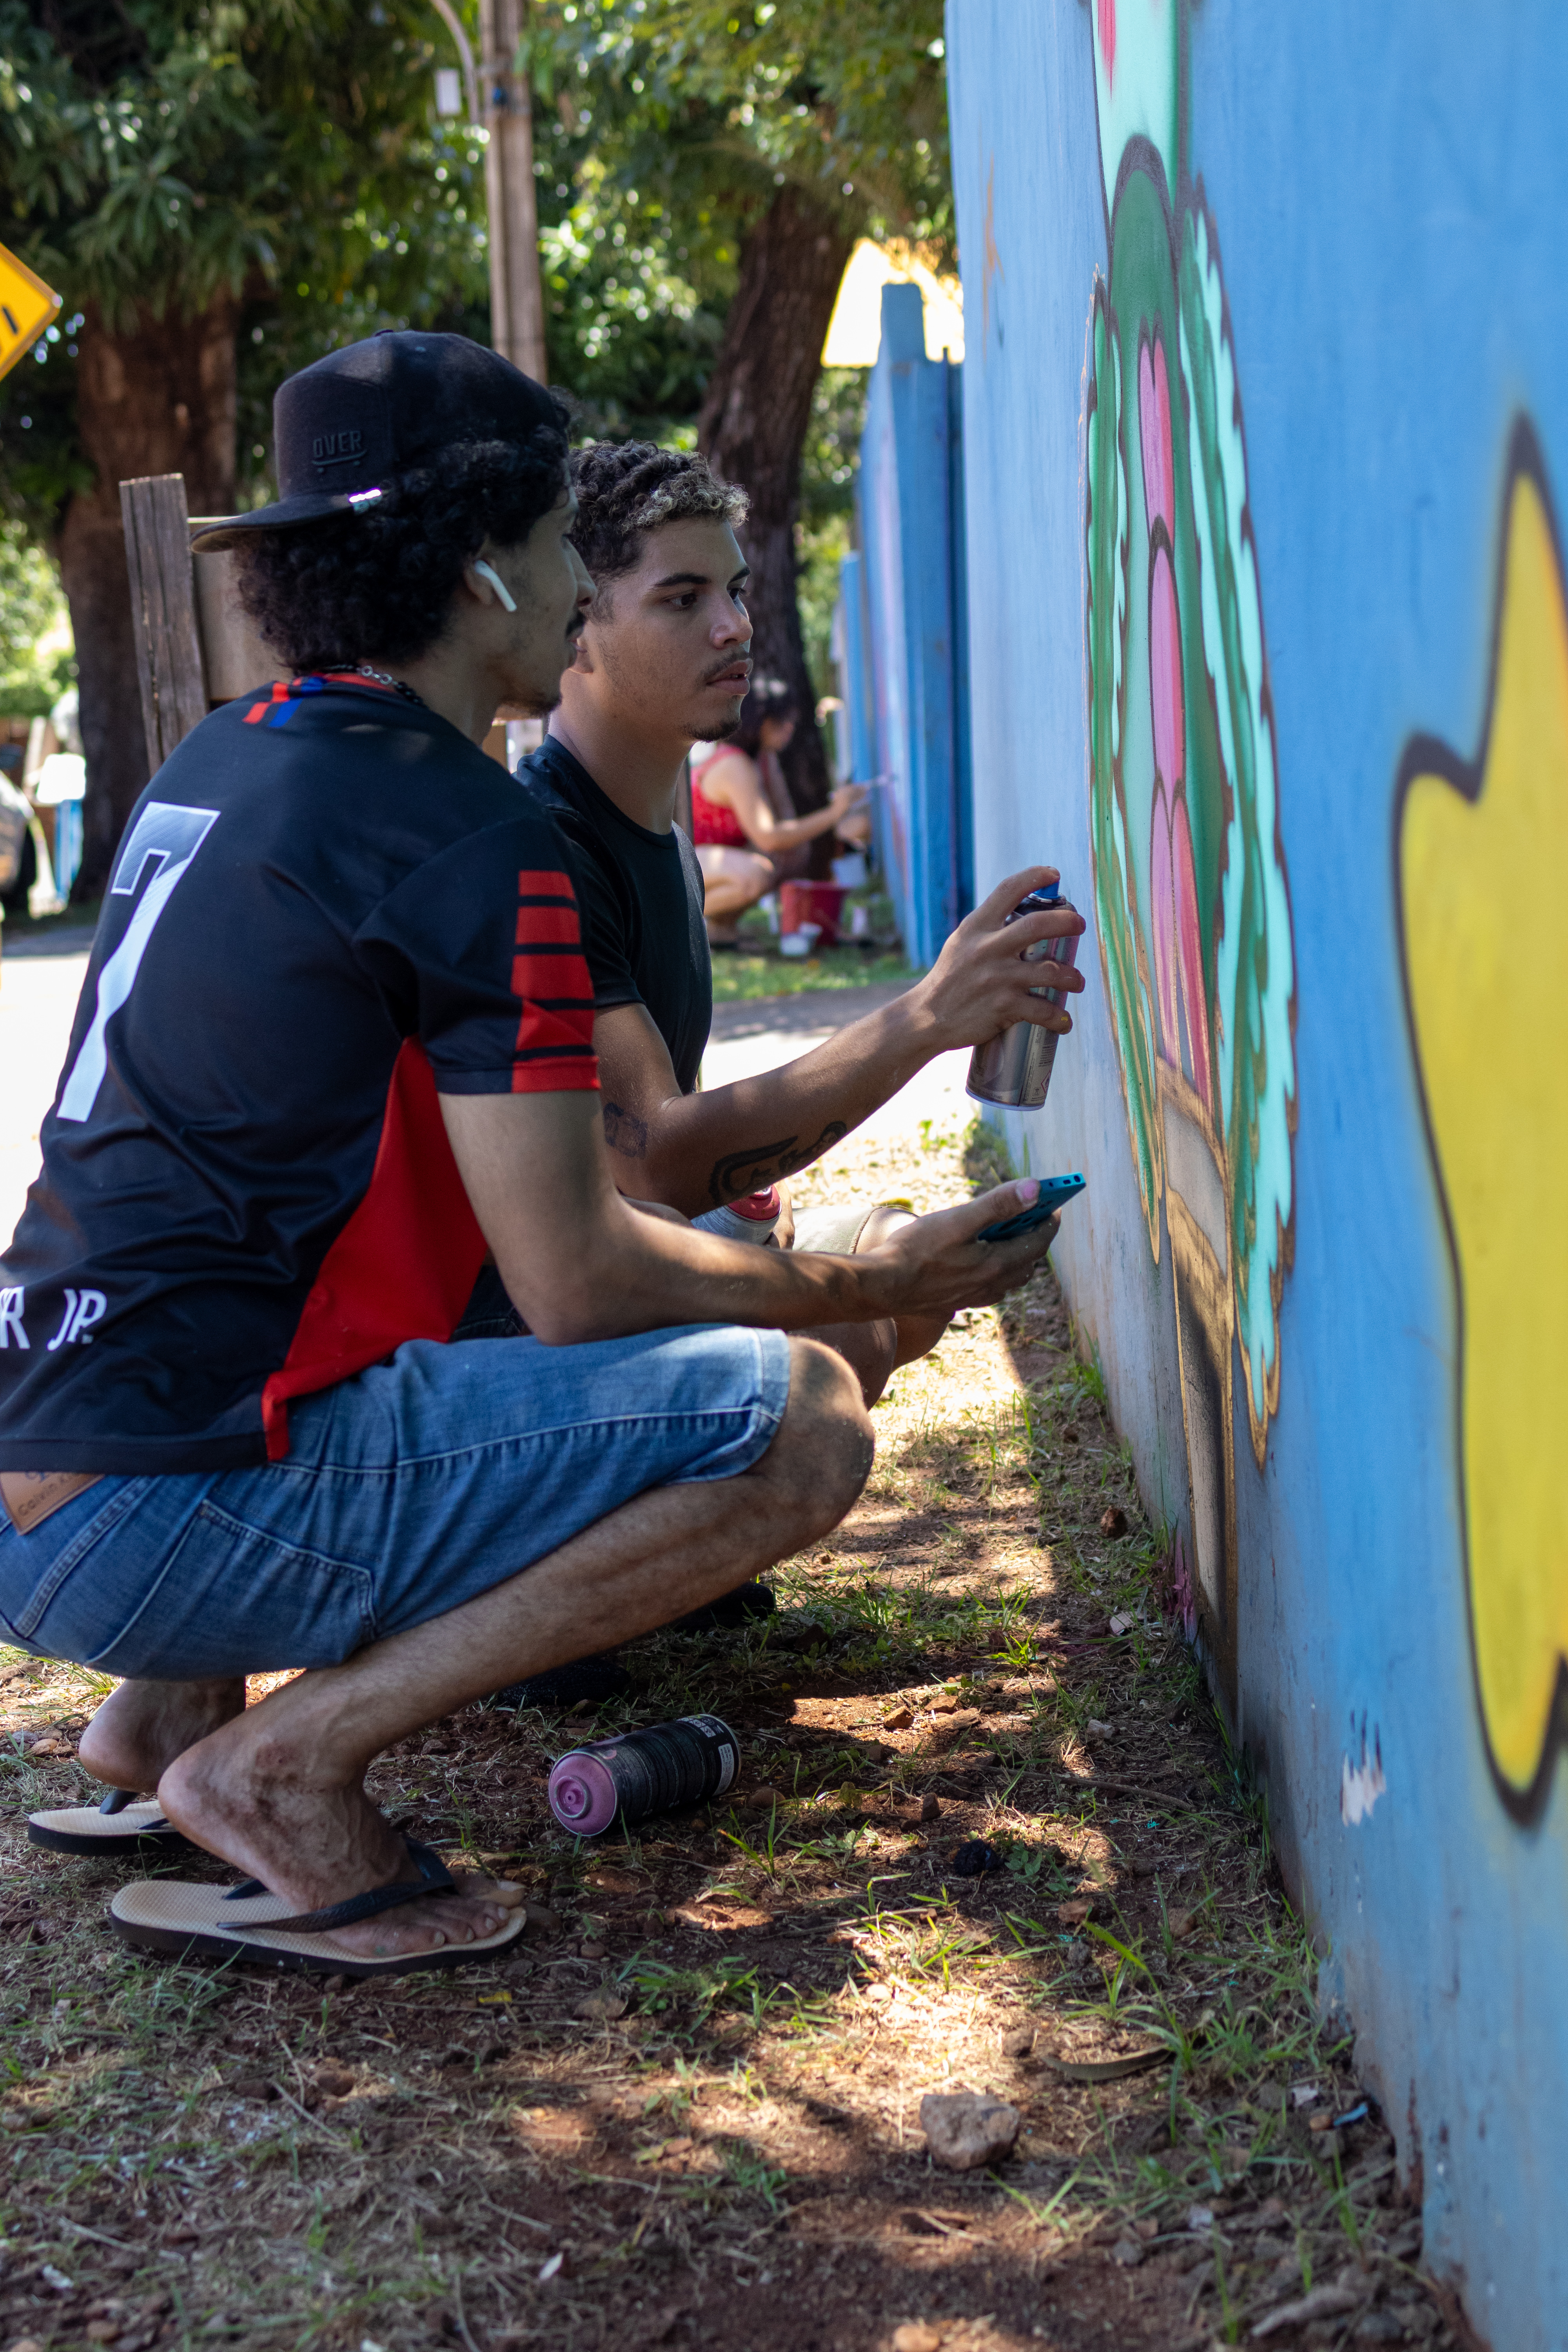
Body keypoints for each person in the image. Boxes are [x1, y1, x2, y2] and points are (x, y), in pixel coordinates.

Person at [0, 334, 1061, 1979]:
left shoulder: (232, 751)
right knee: (801, 1419)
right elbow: (578, 1277)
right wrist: (874, 1277)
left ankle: (160, 1720)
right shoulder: (467, 829)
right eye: (569, 544)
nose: (580, 587)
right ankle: (277, 1764)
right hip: (152, 1514)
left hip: (41, 1478)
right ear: (480, 563)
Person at [517, 439, 1087, 1417]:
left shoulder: (650, 814)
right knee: (848, 1344)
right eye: (682, 598)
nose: (736, 627)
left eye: (736, 591)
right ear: (575, 622)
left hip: (656, 1244)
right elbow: (653, 1155)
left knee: (901, 1247)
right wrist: (926, 1017)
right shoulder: (547, 846)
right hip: (544, 1328)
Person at [688, 675, 867, 945]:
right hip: (688, 862)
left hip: (708, 860)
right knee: (755, 874)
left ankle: (720, 929)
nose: (790, 728)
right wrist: (834, 813)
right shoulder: (735, 765)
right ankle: (676, 925)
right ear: (761, 722)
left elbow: (787, 828)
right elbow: (769, 836)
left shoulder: (763, 759)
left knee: (789, 857)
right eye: (783, 721)